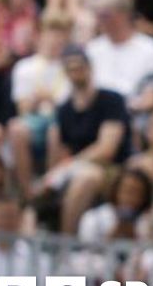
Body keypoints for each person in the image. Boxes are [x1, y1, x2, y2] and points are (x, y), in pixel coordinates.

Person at [43, 45, 130, 234]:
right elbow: (58, 150)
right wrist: (54, 174)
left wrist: (70, 164)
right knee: (43, 188)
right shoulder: (64, 109)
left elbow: (107, 149)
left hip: (110, 168)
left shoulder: (111, 100)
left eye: (79, 66)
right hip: (73, 167)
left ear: (89, 67)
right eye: (70, 68)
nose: (76, 72)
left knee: (86, 178)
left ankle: (67, 242)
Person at [6, 9, 71, 199]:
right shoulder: (25, 67)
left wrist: (49, 99)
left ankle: (48, 190)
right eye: (51, 35)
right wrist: (38, 100)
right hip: (35, 120)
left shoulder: (71, 66)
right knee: (16, 128)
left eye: (60, 36)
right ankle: (27, 193)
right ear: (41, 36)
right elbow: (23, 109)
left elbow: (70, 107)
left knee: (55, 132)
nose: (55, 41)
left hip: (59, 121)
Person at [85, 0, 153, 105]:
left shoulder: (150, 48)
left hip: (135, 115)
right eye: (97, 15)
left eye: (104, 15)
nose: (99, 21)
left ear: (123, 14)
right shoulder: (92, 48)